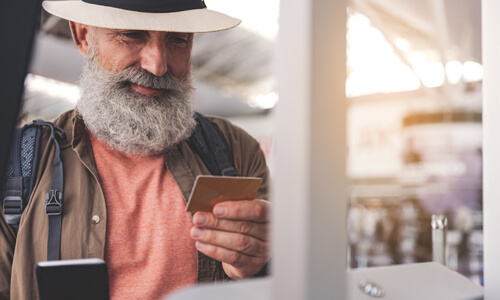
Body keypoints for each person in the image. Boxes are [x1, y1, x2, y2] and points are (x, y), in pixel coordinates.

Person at [0, 1, 271, 299]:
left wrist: (262, 263)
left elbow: (287, 278)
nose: (158, 65)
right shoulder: (20, 161)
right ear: (82, 35)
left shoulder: (233, 150)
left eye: (178, 39)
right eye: (131, 34)